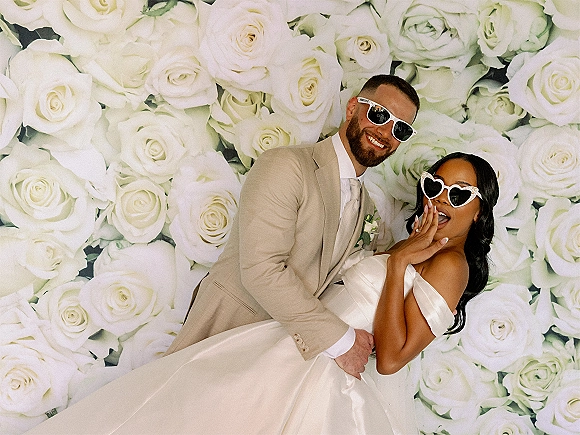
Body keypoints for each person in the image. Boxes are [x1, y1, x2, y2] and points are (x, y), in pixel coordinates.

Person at [25, 152, 499, 435]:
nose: (440, 200)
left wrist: (397, 263)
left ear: (478, 212)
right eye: (435, 186)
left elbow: (392, 357)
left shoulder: (450, 264)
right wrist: (400, 253)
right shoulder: (416, 246)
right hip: (297, 346)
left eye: (458, 195)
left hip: (328, 375)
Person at [164, 74, 422, 380]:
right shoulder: (286, 165)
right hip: (224, 333)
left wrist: (421, 238)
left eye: (400, 128)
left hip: (276, 362)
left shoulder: (365, 206)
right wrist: (341, 341)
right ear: (353, 108)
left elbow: (372, 268)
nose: (385, 132)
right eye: (380, 114)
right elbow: (262, 269)